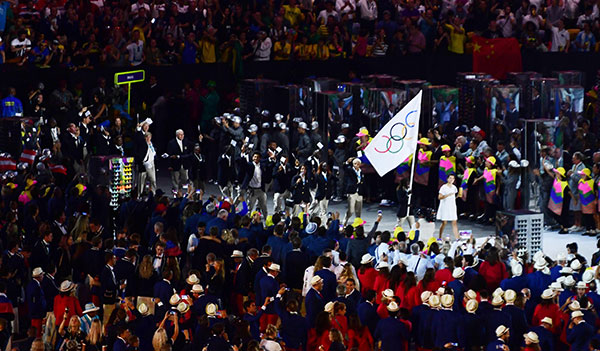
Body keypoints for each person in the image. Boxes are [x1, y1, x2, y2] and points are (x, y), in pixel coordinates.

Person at [437, 173, 459, 239]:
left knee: (454, 222)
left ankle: (457, 238)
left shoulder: (454, 187)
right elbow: (439, 197)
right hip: (445, 206)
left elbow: (453, 197)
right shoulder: (443, 187)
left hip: (452, 206)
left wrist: (458, 195)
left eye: (453, 178)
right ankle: (440, 237)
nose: (451, 180)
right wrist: (447, 195)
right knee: (444, 223)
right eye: (450, 178)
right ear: (447, 179)